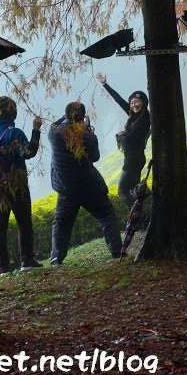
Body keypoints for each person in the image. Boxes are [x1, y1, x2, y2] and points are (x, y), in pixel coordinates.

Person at [48, 101, 122, 264]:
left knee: (61, 222)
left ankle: (56, 257)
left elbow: (55, 124)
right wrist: (88, 131)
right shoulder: (88, 137)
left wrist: (66, 117)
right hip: (89, 185)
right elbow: (95, 157)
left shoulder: (54, 133)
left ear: (66, 115)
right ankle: (117, 250)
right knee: (107, 215)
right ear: (82, 117)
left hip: (66, 187)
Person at [0, 96, 43, 274]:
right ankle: (27, 260)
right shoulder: (15, 133)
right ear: (11, 111)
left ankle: (2, 266)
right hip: (17, 184)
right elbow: (28, 152)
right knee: (24, 222)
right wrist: (36, 130)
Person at [95, 73, 151, 211]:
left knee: (123, 191)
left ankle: (140, 217)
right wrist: (105, 84)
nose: (133, 105)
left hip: (133, 159)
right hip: (135, 158)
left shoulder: (144, 119)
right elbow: (118, 99)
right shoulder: (134, 116)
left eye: (137, 102)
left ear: (143, 102)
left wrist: (122, 135)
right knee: (136, 190)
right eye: (132, 102)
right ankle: (148, 213)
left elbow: (129, 140)